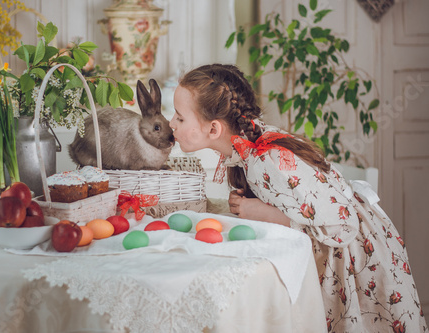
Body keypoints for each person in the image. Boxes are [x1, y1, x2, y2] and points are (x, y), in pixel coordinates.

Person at [169, 63, 428, 333]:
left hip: (359, 260)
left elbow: (341, 225)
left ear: (213, 129)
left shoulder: (267, 160)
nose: (171, 123)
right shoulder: (246, 148)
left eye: (179, 117)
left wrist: (261, 212)